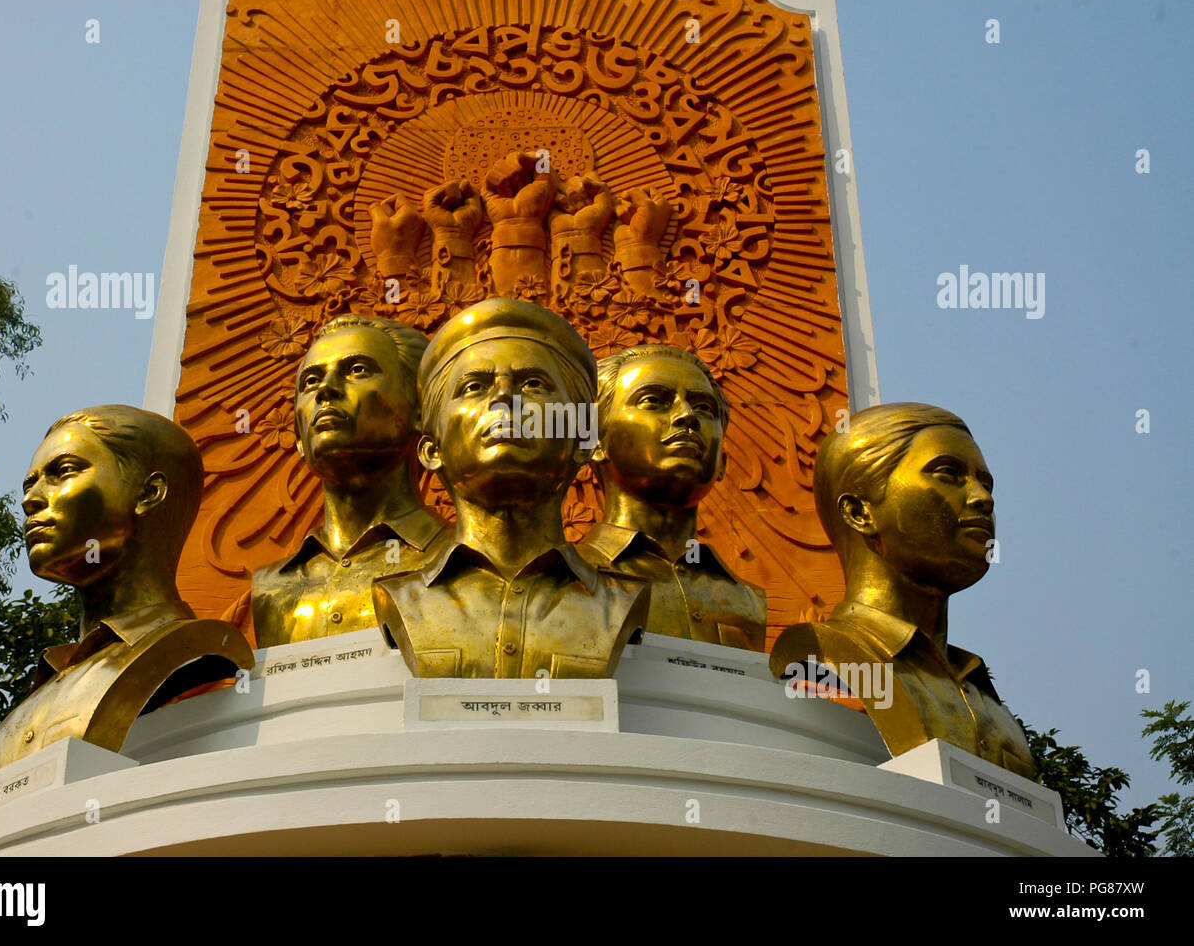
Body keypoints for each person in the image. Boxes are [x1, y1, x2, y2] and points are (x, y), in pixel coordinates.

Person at [374, 298, 649, 678]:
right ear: (431, 449)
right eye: (473, 386)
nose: (504, 399)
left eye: (533, 384)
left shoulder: (622, 601)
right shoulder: (399, 597)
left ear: (583, 439)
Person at [0, 405, 252, 775]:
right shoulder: (37, 693)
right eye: (30, 484)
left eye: (63, 472)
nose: (31, 499)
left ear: (149, 493)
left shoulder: (191, 657)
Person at [768, 403, 1035, 778]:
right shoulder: (821, 659)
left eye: (985, 483)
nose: (982, 498)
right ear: (860, 512)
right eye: (949, 474)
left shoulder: (983, 695)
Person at [251, 315, 449, 647]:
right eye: (311, 381)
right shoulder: (271, 587)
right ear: (299, 437)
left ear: (420, 411)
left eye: (358, 370)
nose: (325, 390)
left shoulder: (460, 565)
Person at [579, 345, 766, 650]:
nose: (687, 416)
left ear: (723, 463)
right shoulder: (565, 583)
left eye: (704, 408)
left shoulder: (748, 601)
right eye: (653, 401)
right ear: (594, 443)